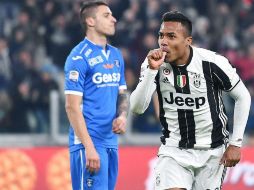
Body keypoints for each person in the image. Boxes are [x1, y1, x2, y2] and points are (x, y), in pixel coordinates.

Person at [130, 11, 251, 190]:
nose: (164, 42)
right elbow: (136, 108)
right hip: (173, 150)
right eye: (161, 35)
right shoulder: (153, 64)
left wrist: (235, 143)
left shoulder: (212, 62)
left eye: (171, 36)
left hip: (212, 151)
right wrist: (150, 72)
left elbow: (243, 96)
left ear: (188, 41)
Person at [64, 1, 129, 189]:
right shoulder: (78, 57)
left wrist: (122, 116)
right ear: (91, 21)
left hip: (110, 141)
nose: (114, 19)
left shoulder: (116, 55)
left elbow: (122, 94)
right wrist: (89, 147)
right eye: (107, 15)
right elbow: (71, 106)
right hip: (89, 143)